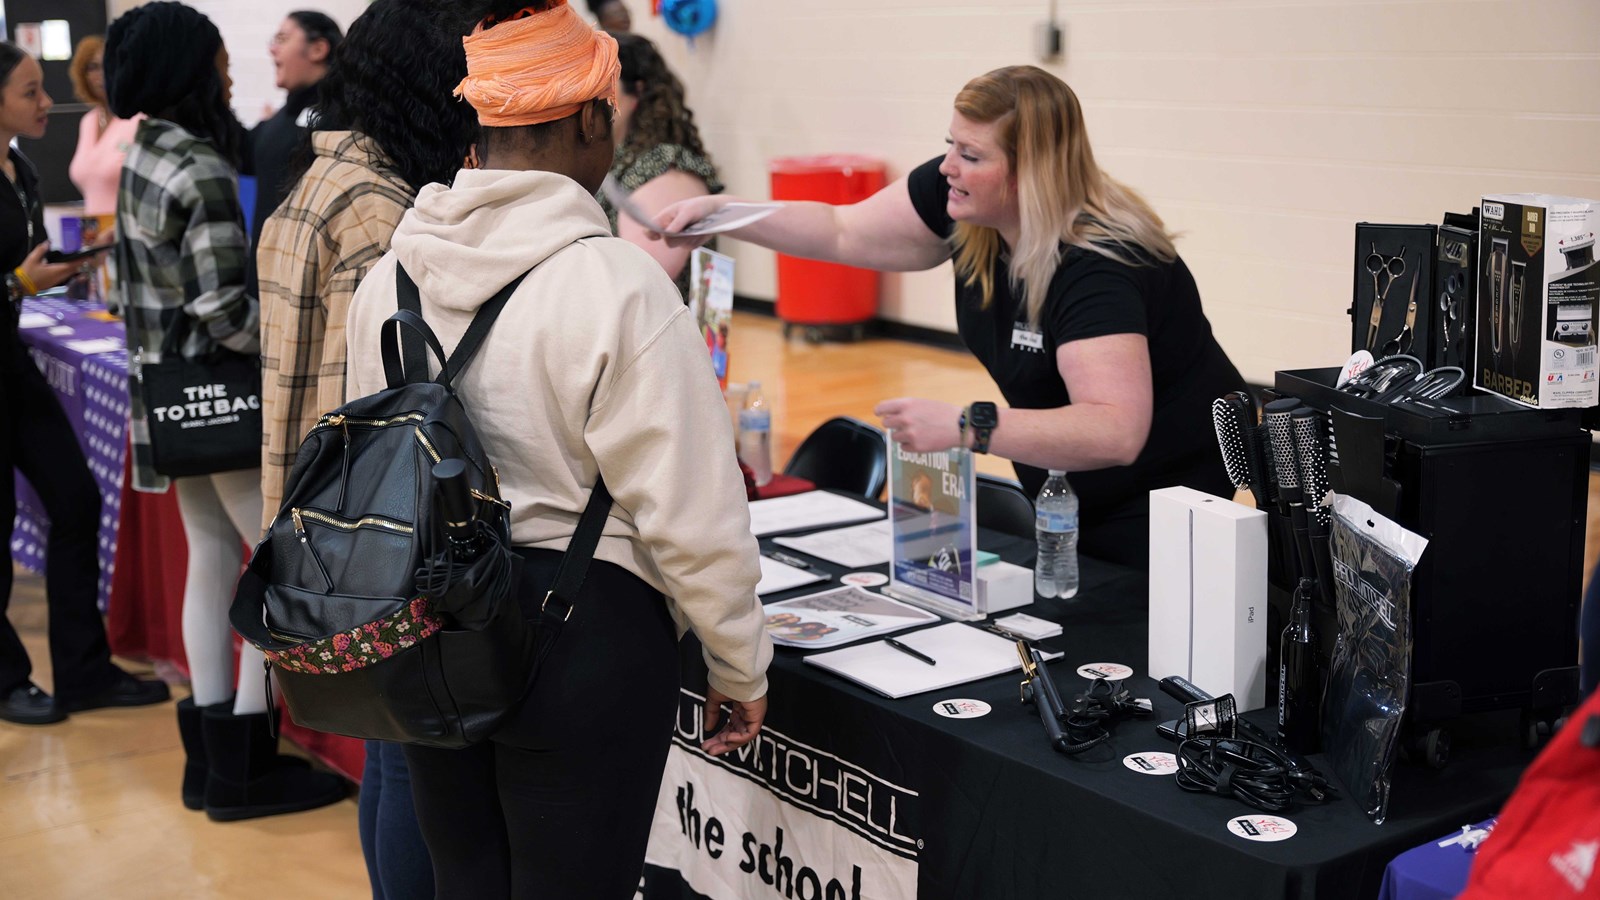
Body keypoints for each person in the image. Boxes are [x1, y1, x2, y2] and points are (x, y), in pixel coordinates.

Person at [343, 2, 771, 894]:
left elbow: (371, 463)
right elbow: (693, 510)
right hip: (583, 637)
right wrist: (738, 659)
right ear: (587, 118)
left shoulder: (393, 274)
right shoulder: (618, 286)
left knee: (465, 880)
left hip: (433, 624)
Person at [657, 66, 1246, 570]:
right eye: (950, 145)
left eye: (971, 155)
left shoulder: (1099, 266)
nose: (946, 167)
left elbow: (1114, 430)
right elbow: (841, 229)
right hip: (1068, 489)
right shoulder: (967, 207)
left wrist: (969, 428)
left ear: (1029, 172)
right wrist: (723, 214)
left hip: (1167, 501)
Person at [256, 0, 478, 891]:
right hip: (372, 523)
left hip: (326, 518)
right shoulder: (380, 211)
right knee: (408, 759)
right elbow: (399, 398)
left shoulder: (321, 182)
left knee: (393, 753)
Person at [104, 1, 344, 820]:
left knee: (213, 559)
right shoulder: (201, 166)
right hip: (223, 396)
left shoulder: (143, 151)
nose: (232, 69)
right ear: (191, 68)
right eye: (219, 59)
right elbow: (221, 311)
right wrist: (292, 335)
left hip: (165, 399)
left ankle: (210, 763)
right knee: (271, 566)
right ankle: (245, 765)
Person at [0, 42, 169, 726]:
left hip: (12, 364)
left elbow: (25, 264)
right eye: (31, 91)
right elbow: (16, 276)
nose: (48, 103)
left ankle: (82, 671)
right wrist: (19, 283)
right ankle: (7, 679)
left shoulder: (21, 169)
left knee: (76, 501)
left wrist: (69, 265)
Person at [599, 30, 721, 290]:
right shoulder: (614, 160)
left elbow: (642, 283)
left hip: (656, 313)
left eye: (604, 86)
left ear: (637, 91)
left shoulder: (664, 166)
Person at [243, 11, 341, 298]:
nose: (273, 49)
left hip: (304, 288)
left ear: (318, 49)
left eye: (282, 39)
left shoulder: (338, 118)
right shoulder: (282, 118)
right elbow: (243, 153)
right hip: (265, 280)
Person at [67, 35, 140, 217]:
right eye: (92, 67)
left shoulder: (140, 119)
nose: (102, 75)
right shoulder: (88, 121)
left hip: (130, 229)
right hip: (94, 231)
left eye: (109, 65)